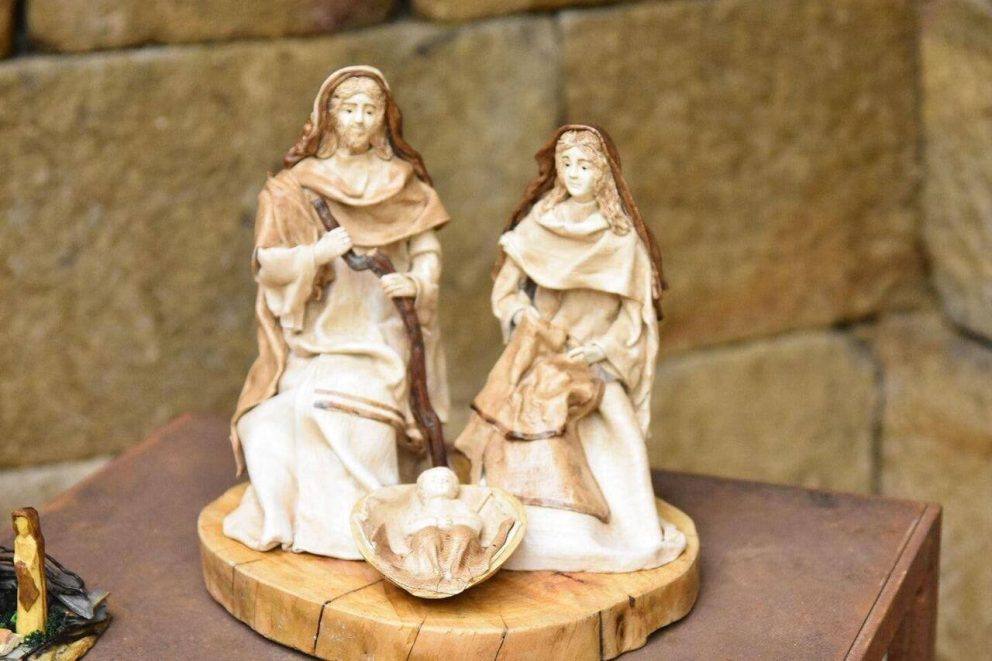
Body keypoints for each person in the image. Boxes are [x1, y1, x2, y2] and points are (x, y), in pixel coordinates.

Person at [223, 66, 450, 559]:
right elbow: (268, 263)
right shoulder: (294, 187)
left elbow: (426, 249)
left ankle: (357, 529)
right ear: (329, 117)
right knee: (264, 422)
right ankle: (289, 519)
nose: (359, 120)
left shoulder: (401, 181)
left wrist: (417, 281)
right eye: (349, 109)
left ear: (385, 119)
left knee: (326, 409)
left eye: (370, 110)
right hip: (316, 337)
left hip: (380, 334)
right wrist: (316, 254)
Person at [455, 125, 686, 572]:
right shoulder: (539, 224)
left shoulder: (621, 240)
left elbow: (633, 319)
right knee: (514, 423)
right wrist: (523, 316)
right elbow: (507, 291)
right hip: (539, 355)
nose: (575, 173)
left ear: (604, 174)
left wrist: (602, 349)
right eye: (567, 164)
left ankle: (619, 531)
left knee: (620, 435)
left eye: (585, 165)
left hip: (595, 364)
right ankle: (532, 531)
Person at [12, 507, 47, 635]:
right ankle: (23, 628)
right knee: (22, 598)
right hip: (22, 574)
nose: (21, 528)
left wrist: (25, 565)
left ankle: (35, 629)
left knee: (35, 600)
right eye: (18, 525)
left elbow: (32, 558)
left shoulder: (33, 542)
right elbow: (16, 555)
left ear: (30, 524)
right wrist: (18, 563)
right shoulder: (17, 540)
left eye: (23, 525)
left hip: (32, 574)